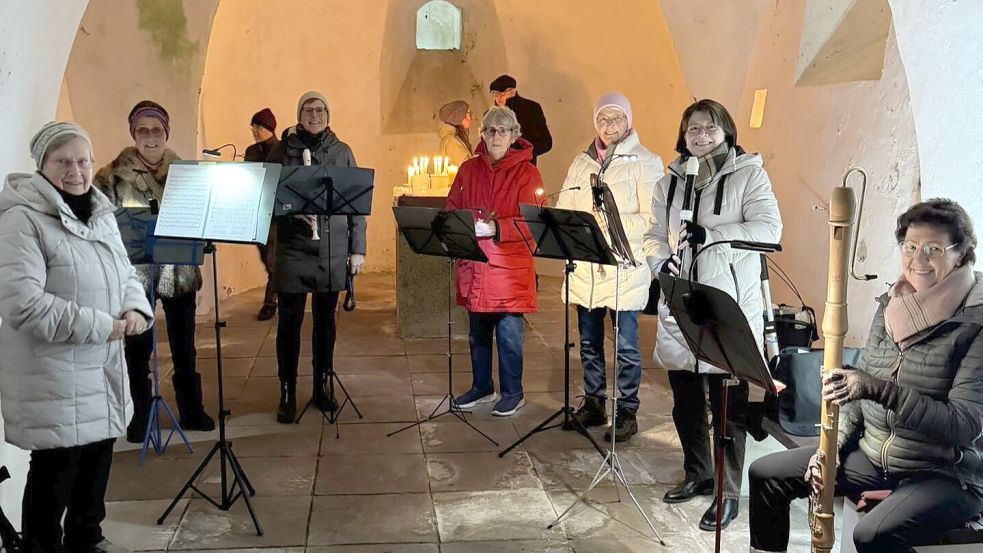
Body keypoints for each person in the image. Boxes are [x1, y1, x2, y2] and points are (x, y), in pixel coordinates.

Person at [748, 199, 983, 553]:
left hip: (943, 473)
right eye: (910, 246)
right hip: (874, 456)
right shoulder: (892, 305)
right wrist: (832, 451)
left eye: (933, 249)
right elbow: (856, 397)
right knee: (767, 475)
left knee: (871, 535)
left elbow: (963, 424)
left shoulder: (974, 322)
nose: (918, 259)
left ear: (962, 254)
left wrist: (878, 389)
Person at [0, 121, 155, 553]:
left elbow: (124, 272)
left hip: (98, 368)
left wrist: (134, 307)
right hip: (52, 373)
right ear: (42, 165)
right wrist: (105, 326)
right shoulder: (22, 220)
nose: (76, 171)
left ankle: (88, 539)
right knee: (56, 471)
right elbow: (22, 305)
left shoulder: (98, 210)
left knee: (97, 461)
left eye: (83, 160)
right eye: (63, 161)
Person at [644, 99, 782, 530]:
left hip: (728, 303)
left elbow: (769, 230)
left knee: (727, 405)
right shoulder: (670, 180)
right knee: (684, 401)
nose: (700, 136)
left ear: (726, 130)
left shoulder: (748, 173)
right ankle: (698, 474)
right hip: (683, 301)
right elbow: (653, 233)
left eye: (709, 128)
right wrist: (659, 260)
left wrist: (713, 235)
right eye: (692, 130)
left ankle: (727, 491)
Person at [94, 100, 215, 442]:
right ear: (133, 134)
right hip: (137, 276)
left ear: (167, 133)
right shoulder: (111, 176)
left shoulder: (185, 174)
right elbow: (99, 226)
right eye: (143, 130)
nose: (151, 137)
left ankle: (191, 409)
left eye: (157, 130)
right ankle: (139, 414)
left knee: (184, 345)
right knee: (136, 347)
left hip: (179, 271)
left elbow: (199, 220)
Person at [556, 92, 663, 442]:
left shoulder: (645, 162)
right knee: (588, 341)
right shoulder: (581, 162)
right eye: (603, 119)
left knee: (626, 345)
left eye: (616, 119)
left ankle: (627, 410)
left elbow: (653, 218)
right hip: (587, 265)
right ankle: (594, 402)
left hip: (623, 266)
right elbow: (564, 204)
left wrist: (607, 223)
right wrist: (578, 225)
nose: (609, 126)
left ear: (629, 121)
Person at [266, 91, 366, 424]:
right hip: (293, 248)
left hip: (331, 248)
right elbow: (265, 200)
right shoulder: (281, 152)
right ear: (298, 115)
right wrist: (291, 212)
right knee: (289, 322)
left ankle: (323, 384)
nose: (315, 114)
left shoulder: (342, 152)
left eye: (321, 109)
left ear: (328, 114)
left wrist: (358, 250)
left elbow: (356, 206)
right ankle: (287, 390)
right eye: (308, 110)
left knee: (326, 321)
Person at [446, 106, 541, 416]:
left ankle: (513, 391)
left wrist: (496, 227)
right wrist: (459, 226)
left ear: (514, 135)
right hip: (476, 264)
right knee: (477, 332)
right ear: (482, 135)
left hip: (508, 267)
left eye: (503, 130)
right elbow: (453, 207)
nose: (496, 136)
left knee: (509, 335)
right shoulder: (468, 170)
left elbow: (533, 222)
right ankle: (482, 386)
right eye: (490, 130)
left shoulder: (527, 173)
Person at [244, 107, 279, 321]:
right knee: (266, 258)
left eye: (258, 126)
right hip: (257, 212)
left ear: (268, 127)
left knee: (274, 259)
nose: (254, 130)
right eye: (253, 126)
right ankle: (277, 292)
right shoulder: (251, 151)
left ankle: (270, 301)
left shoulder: (281, 149)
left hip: (275, 213)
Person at [489, 74, 552, 165]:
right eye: (495, 94)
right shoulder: (489, 115)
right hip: (498, 172)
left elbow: (546, 142)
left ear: (513, 92)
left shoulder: (532, 109)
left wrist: (524, 153)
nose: (499, 98)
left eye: (503, 94)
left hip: (524, 169)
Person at [436, 100, 473, 167]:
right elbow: (465, 168)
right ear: (459, 117)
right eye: (469, 113)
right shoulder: (451, 141)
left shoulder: (453, 138)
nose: (471, 118)